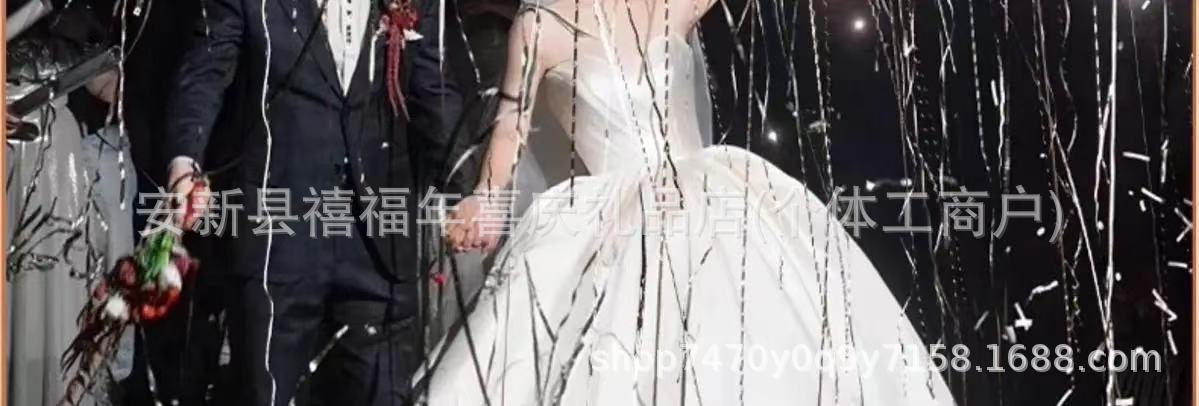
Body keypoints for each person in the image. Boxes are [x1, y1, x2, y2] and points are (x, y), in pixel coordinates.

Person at [429, 0, 955, 404]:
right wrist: (485, 199)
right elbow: (510, 128)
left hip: (713, 199)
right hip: (608, 220)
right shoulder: (538, 27)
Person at [163, 0, 462, 404]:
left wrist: (464, 188)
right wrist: (185, 162)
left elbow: (432, 87)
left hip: (379, 243)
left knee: (385, 392)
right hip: (280, 233)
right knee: (268, 391)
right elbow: (206, 71)